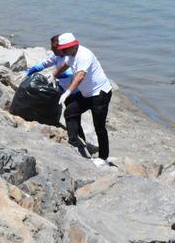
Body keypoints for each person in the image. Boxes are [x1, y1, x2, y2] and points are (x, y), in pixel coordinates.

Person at [25, 32, 115, 164]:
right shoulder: (70, 54)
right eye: (62, 49)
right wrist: (54, 75)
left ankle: (103, 158)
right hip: (86, 94)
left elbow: (80, 76)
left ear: (73, 46)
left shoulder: (84, 55)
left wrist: (67, 92)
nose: (63, 51)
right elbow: (64, 65)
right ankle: (75, 142)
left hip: (100, 94)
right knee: (70, 112)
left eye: (65, 49)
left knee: (99, 126)